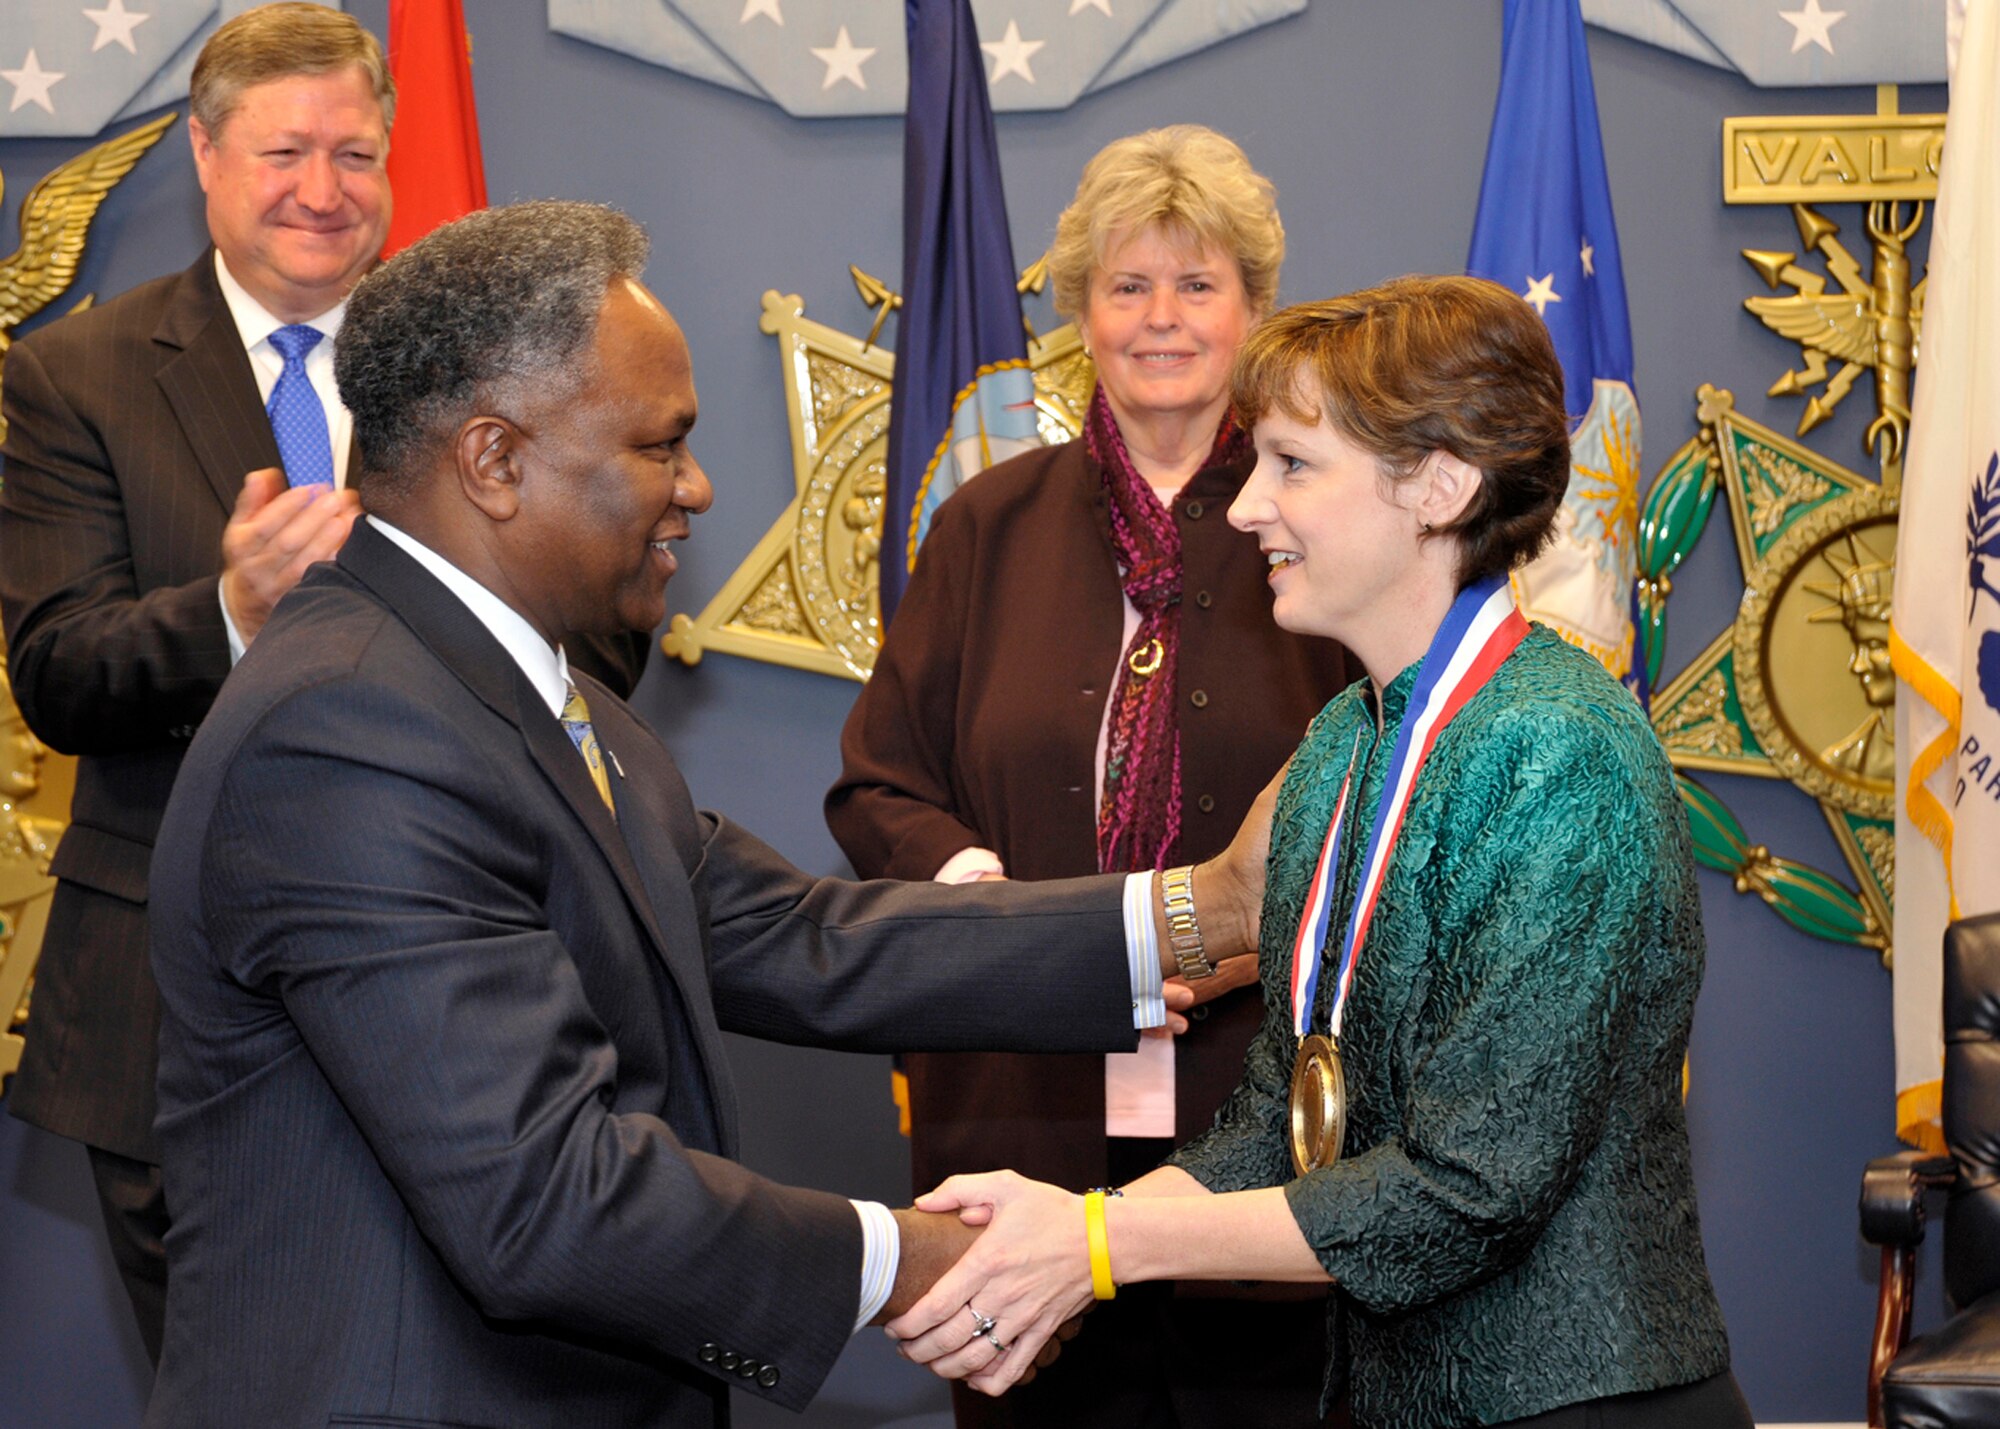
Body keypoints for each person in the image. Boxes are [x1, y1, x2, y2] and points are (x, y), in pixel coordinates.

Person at [143, 199, 1279, 1429]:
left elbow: (799, 935)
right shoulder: (352, 729)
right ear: (494, 460)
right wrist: (913, 1256)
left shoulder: (534, 693)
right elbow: (545, 1198)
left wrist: (1198, 909)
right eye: (657, 444)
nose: (696, 487)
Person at [884, 277, 1753, 1429]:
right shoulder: (1344, 739)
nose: (1244, 508)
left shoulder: (1558, 752)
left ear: (1439, 486)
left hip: (1574, 1401)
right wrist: (1069, 1225)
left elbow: (1466, 1191)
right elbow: (1281, 1107)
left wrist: (1098, 1243)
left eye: (1292, 465)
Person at [0, 3, 643, 1361]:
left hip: (479, 1000)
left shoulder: (494, 366)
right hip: (175, 1034)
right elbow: (58, 674)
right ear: (204, 153)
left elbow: (617, 635)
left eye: (355, 155)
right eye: (284, 151)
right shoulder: (77, 375)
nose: (320, 190)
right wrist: (232, 611)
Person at [827, 125, 1349, 1429]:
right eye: (1127, 286)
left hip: (1265, 1122)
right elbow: (878, 784)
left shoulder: (1329, 530)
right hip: (1019, 1110)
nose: (1161, 318)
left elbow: (1389, 799)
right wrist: (993, 908)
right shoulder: (983, 526)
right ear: (1081, 318)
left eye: (1198, 283)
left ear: (1255, 311)